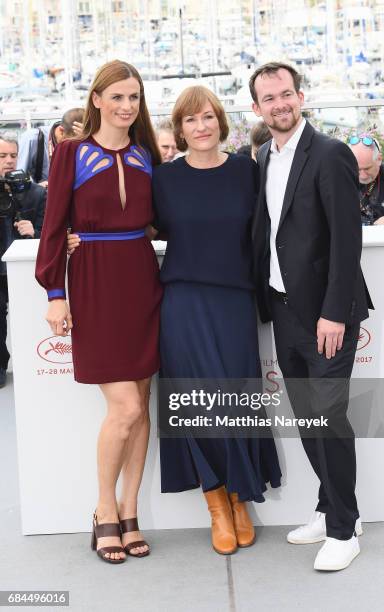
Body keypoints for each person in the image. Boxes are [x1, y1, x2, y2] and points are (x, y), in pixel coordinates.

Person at [35, 60, 162, 564]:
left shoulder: (145, 153)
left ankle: (130, 512)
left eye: (134, 97)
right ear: (97, 100)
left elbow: (160, 216)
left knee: (143, 404)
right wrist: (54, 292)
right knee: (125, 407)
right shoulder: (71, 153)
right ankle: (103, 508)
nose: (127, 106)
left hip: (142, 281)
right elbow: (52, 225)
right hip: (92, 282)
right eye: (117, 97)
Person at [250, 62, 372, 571]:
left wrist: (334, 312)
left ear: (301, 97)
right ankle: (331, 507)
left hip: (326, 316)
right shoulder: (261, 157)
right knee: (306, 419)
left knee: (328, 418)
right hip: (283, 309)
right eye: (269, 99)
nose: (279, 105)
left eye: (286, 95)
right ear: (256, 108)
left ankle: (346, 529)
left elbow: (348, 241)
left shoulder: (329, 154)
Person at [152, 86, 282, 555]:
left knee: (236, 396)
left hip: (234, 301)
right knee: (194, 398)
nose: (201, 127)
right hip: (183, 300)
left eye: (207, 117)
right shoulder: (163, 179)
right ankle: (216, 505)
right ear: (180, 128)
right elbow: (138, 227)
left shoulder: (247, 171)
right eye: (190, 120)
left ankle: (240, 496)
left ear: (220, 122)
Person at [348, 135, 384, 377]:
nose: (361, 174)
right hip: (348, 249)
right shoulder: (339, 175)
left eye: (367, 168)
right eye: (357, 168)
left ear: (380, 159)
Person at [0, 132, 46, 389]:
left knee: (31, 318)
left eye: (13, 155)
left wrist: (34, 232)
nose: (9, 161)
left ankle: (34, 366)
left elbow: (49, 235)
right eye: (2, 156)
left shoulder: (35, 193)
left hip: (26, 268)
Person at [18, 108, 84, 187]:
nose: (73, 148)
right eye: (72, 143)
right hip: (39, 194)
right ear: (61, 131)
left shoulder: (84, 143)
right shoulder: (31, 138)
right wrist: (36, 187)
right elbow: (18, 177)